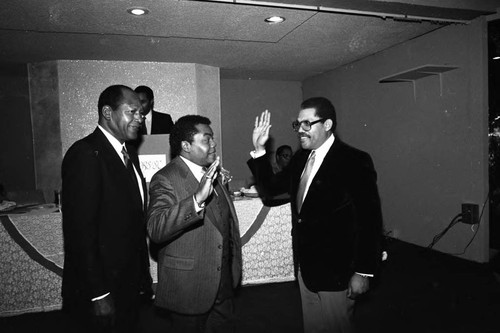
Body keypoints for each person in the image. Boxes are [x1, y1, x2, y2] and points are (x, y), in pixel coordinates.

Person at [248, 97, 383, 333]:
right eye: (298, 124)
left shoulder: (354, 160)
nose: (300, 130)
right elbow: (270, 189)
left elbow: (369, 219)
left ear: (328, 124)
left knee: (336, 326)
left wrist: (363, 271)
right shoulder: (301, 158)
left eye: (307, 124)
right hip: (306, 267)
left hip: (338, 270)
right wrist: (260, 151)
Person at [61, 85, 153, 333]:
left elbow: (133, 220)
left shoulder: (128, 152)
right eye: (132, 111)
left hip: (127, 284)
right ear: (107, 112)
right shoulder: (85, 154)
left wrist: (142, 278)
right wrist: (98, 295)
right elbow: (80, 234)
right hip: (101, 290)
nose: (140, 119)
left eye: (142, 113)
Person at [147, 115, 242, 333]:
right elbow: (156, 228)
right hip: (190, 289)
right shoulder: (165, 178)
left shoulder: (213, 173)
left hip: (224, 285)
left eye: (213, 138)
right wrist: (196, 201)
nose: (214, 144)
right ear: (186, 145)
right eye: (207, 139)